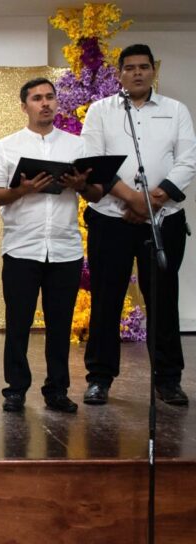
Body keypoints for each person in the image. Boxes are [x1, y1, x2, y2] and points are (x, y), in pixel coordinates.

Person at [80, 44, 196, 406]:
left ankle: (168, 379)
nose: (137, 73)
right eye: (129, 68)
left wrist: (152, 202)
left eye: (144, 67)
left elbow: (188, 160)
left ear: (152, 72)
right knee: (106, 300)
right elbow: (92, 162)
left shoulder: (176, 110)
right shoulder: (101, 111)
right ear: (119, 74)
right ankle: (99, 378)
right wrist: (133, 200)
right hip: (111, 220)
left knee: (162, 300)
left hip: (164, 221)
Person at [0, 78, 104, 413]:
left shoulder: (77, 146)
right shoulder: (7, 146)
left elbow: (97, 193)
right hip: (22, 247)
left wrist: (80, 186)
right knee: (18, 321)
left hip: (64, 248)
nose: (45, 103)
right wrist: (21, 191)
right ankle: (16, 389)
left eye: (50, 97)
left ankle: (57, 390)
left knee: (60, 323)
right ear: (24, 106)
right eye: (37, 98)